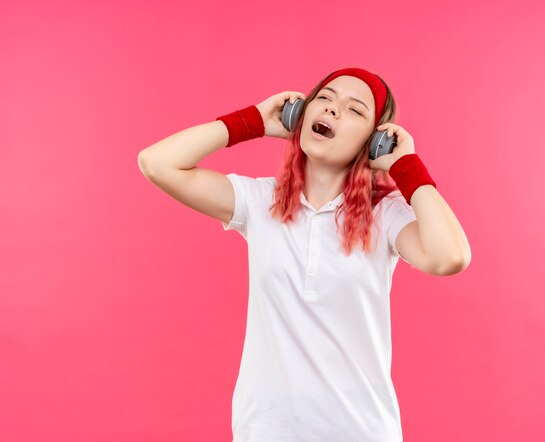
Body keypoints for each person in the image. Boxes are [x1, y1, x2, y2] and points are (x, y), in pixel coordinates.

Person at [138, 67, 471, 442]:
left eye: (354, 110)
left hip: (359, 430)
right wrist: (251, 122)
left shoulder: (386, 214)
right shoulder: (261, 201)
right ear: (300, 114)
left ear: (374, 142)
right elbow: (157, 162)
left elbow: (450, 256)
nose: (331, 110)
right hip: (265, 430)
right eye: (325, 99)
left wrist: (405, 166)